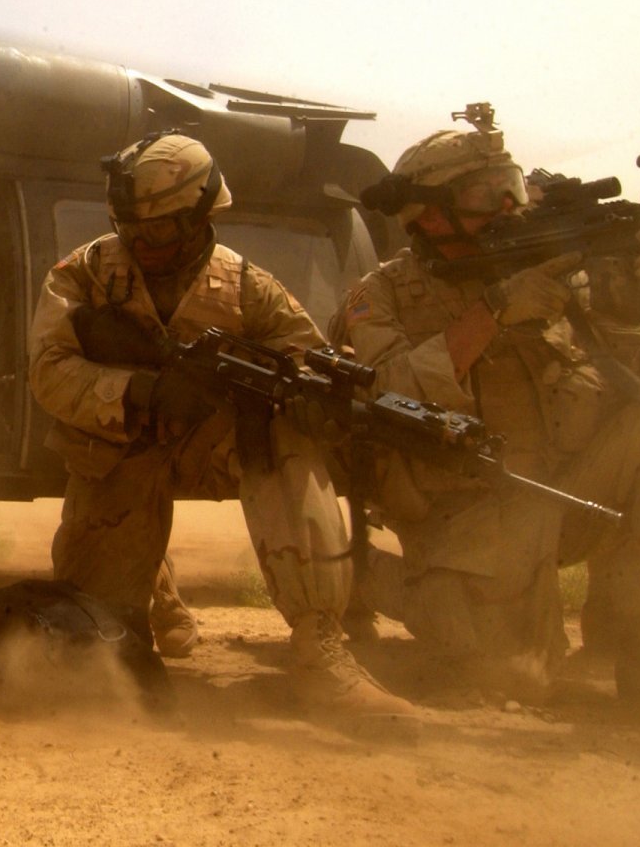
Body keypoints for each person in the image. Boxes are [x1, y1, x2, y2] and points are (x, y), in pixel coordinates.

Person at [336, 108, 640, 717]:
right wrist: (494, 311)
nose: (506, 207)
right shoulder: (381, 295)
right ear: (429, 214)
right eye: (481, 194)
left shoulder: (558, 280)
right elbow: (384, 390)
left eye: (512, 188)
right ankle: (372, 579)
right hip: (471, 518)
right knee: (508, 680)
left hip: (572, 498)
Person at [29, 131, 412, 717]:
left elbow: (305, 357)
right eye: (129, 225)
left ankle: (318, 647)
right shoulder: (85, 273)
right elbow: (50, 372)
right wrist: (142, 391)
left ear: (199, 216)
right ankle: (151, 587)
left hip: (214, 448)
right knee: (94, 649)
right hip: (118, 450)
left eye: (157, 229)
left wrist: (314, 407)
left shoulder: (249, 289)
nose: (140, 241)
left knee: (285, 436)